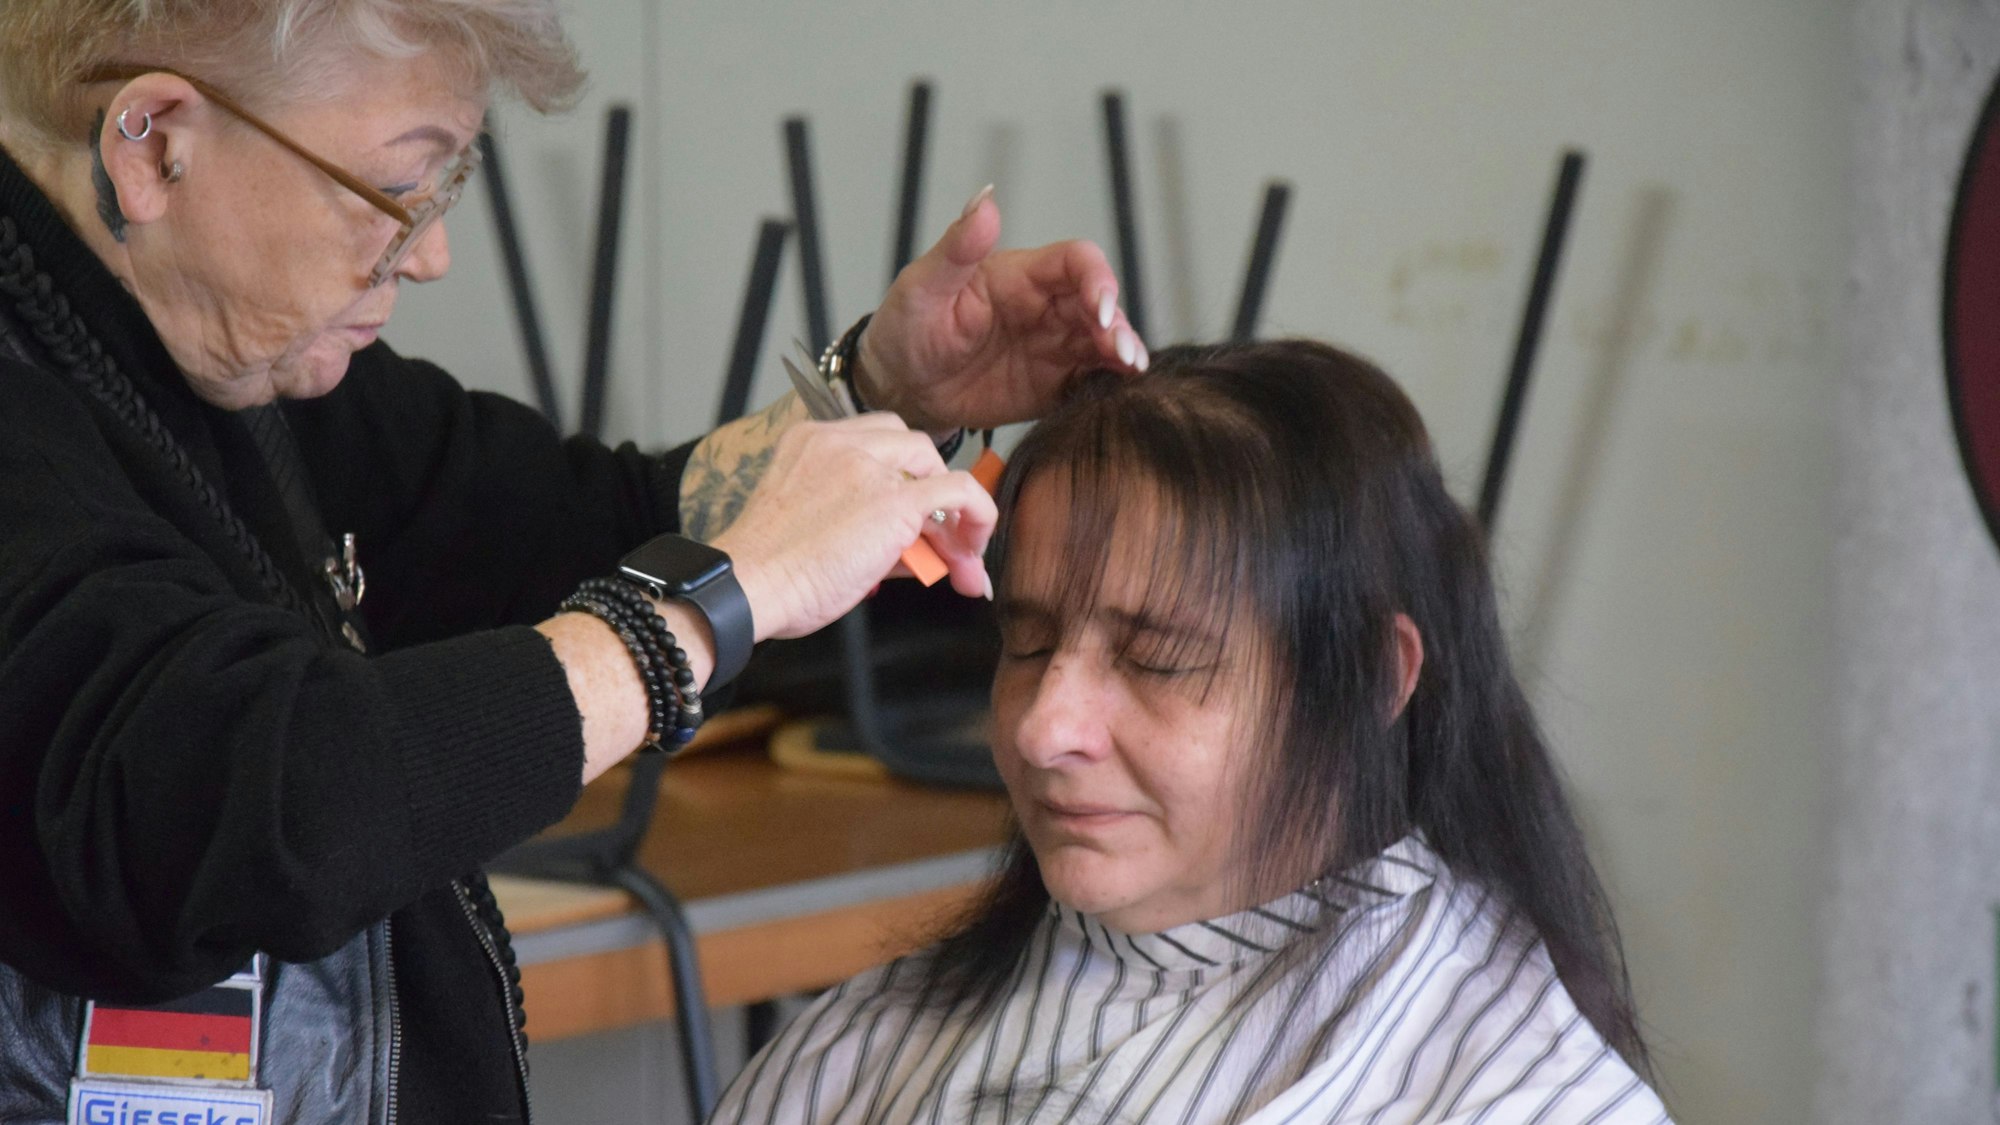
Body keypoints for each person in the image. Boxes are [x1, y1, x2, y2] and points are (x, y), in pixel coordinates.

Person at [0, 2, 1150, 1121]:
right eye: (397, 190)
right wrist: (696, 620)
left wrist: (879, 402)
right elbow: (229, 809)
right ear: (152, 144)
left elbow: (577, 525)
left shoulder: (249, 370)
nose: (432, 252)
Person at [712, 340, 1673, 1124]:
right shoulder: (865, 1053)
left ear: (1374, 679)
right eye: (1029, 639)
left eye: (1159, 660)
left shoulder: (1518, 1096)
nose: (1047, 727)